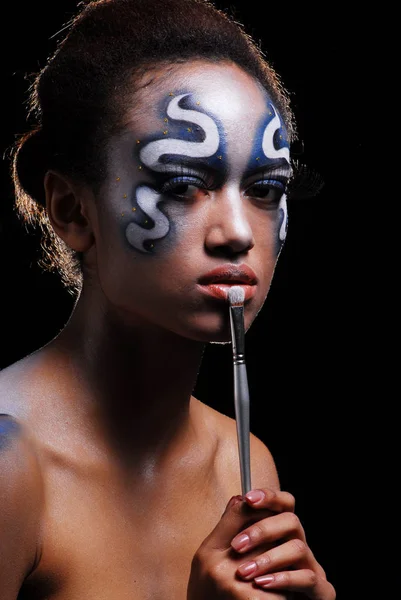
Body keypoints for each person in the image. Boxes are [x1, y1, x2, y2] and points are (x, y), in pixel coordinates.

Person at [0, 0, 336, 598]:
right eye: (182, 184)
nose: (237, 231)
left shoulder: (240, 466)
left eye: (265, 189)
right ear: (74, 210)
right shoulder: (8, 465)